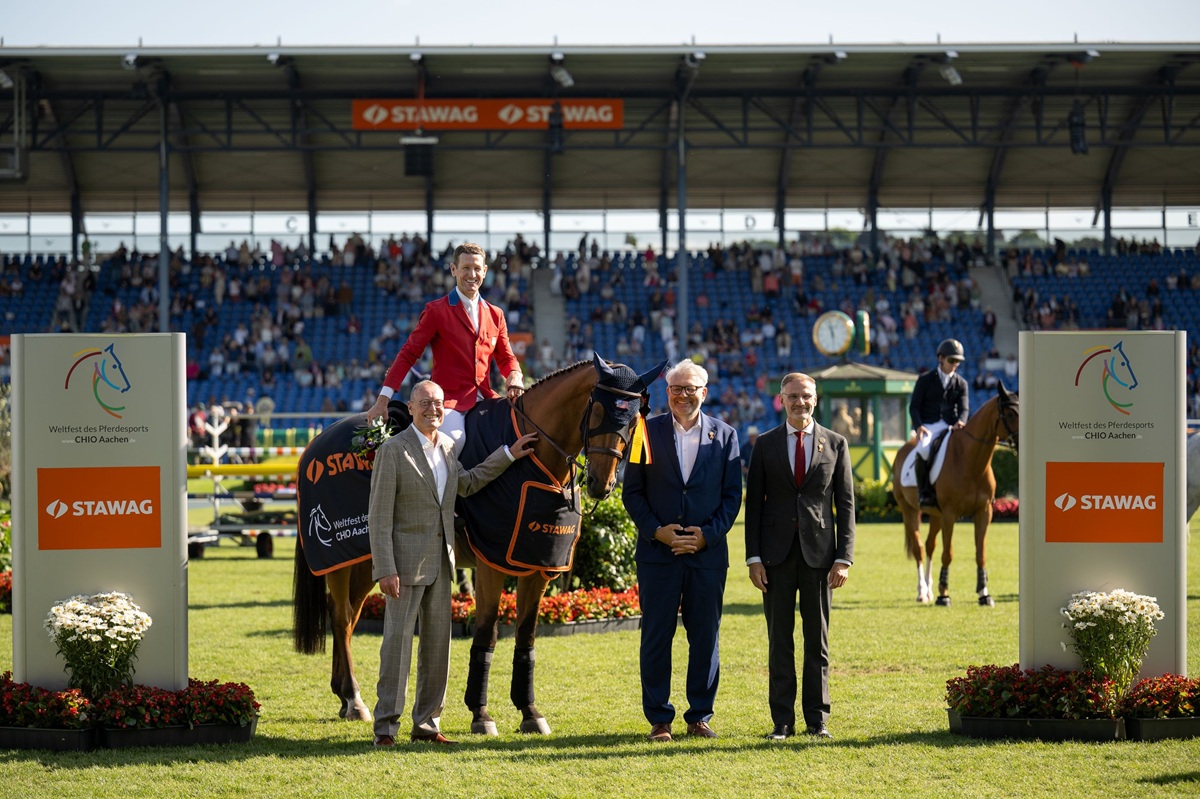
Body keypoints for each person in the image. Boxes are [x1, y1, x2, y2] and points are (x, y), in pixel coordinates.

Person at [368, 379, 536, 747]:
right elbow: (378, 516)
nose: (433, 408)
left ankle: (427, 725)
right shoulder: (393, 450)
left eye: (439, 402)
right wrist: (385, 568)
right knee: (396, 647)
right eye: (425, 402)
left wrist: (508, 453)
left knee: (437, 650)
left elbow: (469, 483)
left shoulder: (446, 446)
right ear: (410, 407)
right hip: (403, 565)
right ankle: (386, 727)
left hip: (442, 563)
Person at [622, 361, 743, 742]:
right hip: (658, 554)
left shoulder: (725, 436)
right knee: (656, 636)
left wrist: (706, 536)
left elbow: (731, 498)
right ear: (666, 392)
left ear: (704, 393)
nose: (683, 395)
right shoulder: (645, 432)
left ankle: (699, 716)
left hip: (707, 555)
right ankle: (659, 719)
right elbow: (633, 494)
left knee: (705, 637)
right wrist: (658, 532)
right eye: (676, 388)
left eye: (691, 388)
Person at [744, 372, 855, 741]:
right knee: (780, 642)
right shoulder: (765, 444)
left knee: (817, 642)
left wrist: (844, 558)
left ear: (816, 398)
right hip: (774, 560)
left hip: (820, 559)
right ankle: (782, 723)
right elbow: (754, 509)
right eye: (792, 396)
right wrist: (753, 558)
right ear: (781, 399)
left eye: (805, 396)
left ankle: (818, 721)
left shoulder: (836, 444)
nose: (799, 402)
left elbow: (846, 506)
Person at [367, 242, 524, 455]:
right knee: (454, 442)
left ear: (485, 272)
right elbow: (408, 354)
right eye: (466, 268)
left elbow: (506, 358)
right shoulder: (436, 311)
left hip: (487, 397)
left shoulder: (496, 314)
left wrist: (515, 375)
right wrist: (382, 400)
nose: (472, 274)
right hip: (449, 401)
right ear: (453, 270)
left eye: (477, 268)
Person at [908, 338, 969, 508]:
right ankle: (924, 492)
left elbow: (964, 409)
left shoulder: (961, 383)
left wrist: (961, 422)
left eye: (958, 361)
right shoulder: (925, 379)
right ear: (940, 358)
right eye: (952, 360)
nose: (955, 364)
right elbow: (914, 407)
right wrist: (919, 426)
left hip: (951, 426)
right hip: (929, 426)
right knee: (924, 449)